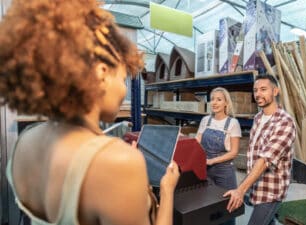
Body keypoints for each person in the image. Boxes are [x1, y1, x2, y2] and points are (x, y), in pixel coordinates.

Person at [0, 1, 179, 225]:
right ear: (102, 74)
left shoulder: (24, 143)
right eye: (123, 77)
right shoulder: (117, 162)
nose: (124, 89)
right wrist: (167, 188)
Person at [223, 74, 296, 225]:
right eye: (255, 90)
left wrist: (240, 190)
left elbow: (264, 160)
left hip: (271, 190)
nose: (258, 94)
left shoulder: (285, 122)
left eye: (263, 89)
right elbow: (254, 155)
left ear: (275, 91)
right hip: (257, 186)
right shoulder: (257, 118)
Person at [196, 87, 241, 225]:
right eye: (212, 99)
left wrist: (212, 161)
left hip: (224, 171)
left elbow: (234, 152)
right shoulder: (205, 120)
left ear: (226, 103)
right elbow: (196, 143)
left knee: (227, 208)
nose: (214, 102)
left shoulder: (233, 123)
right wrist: (182, 139)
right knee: (208, 206)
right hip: (206, 169)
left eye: (219, 99)